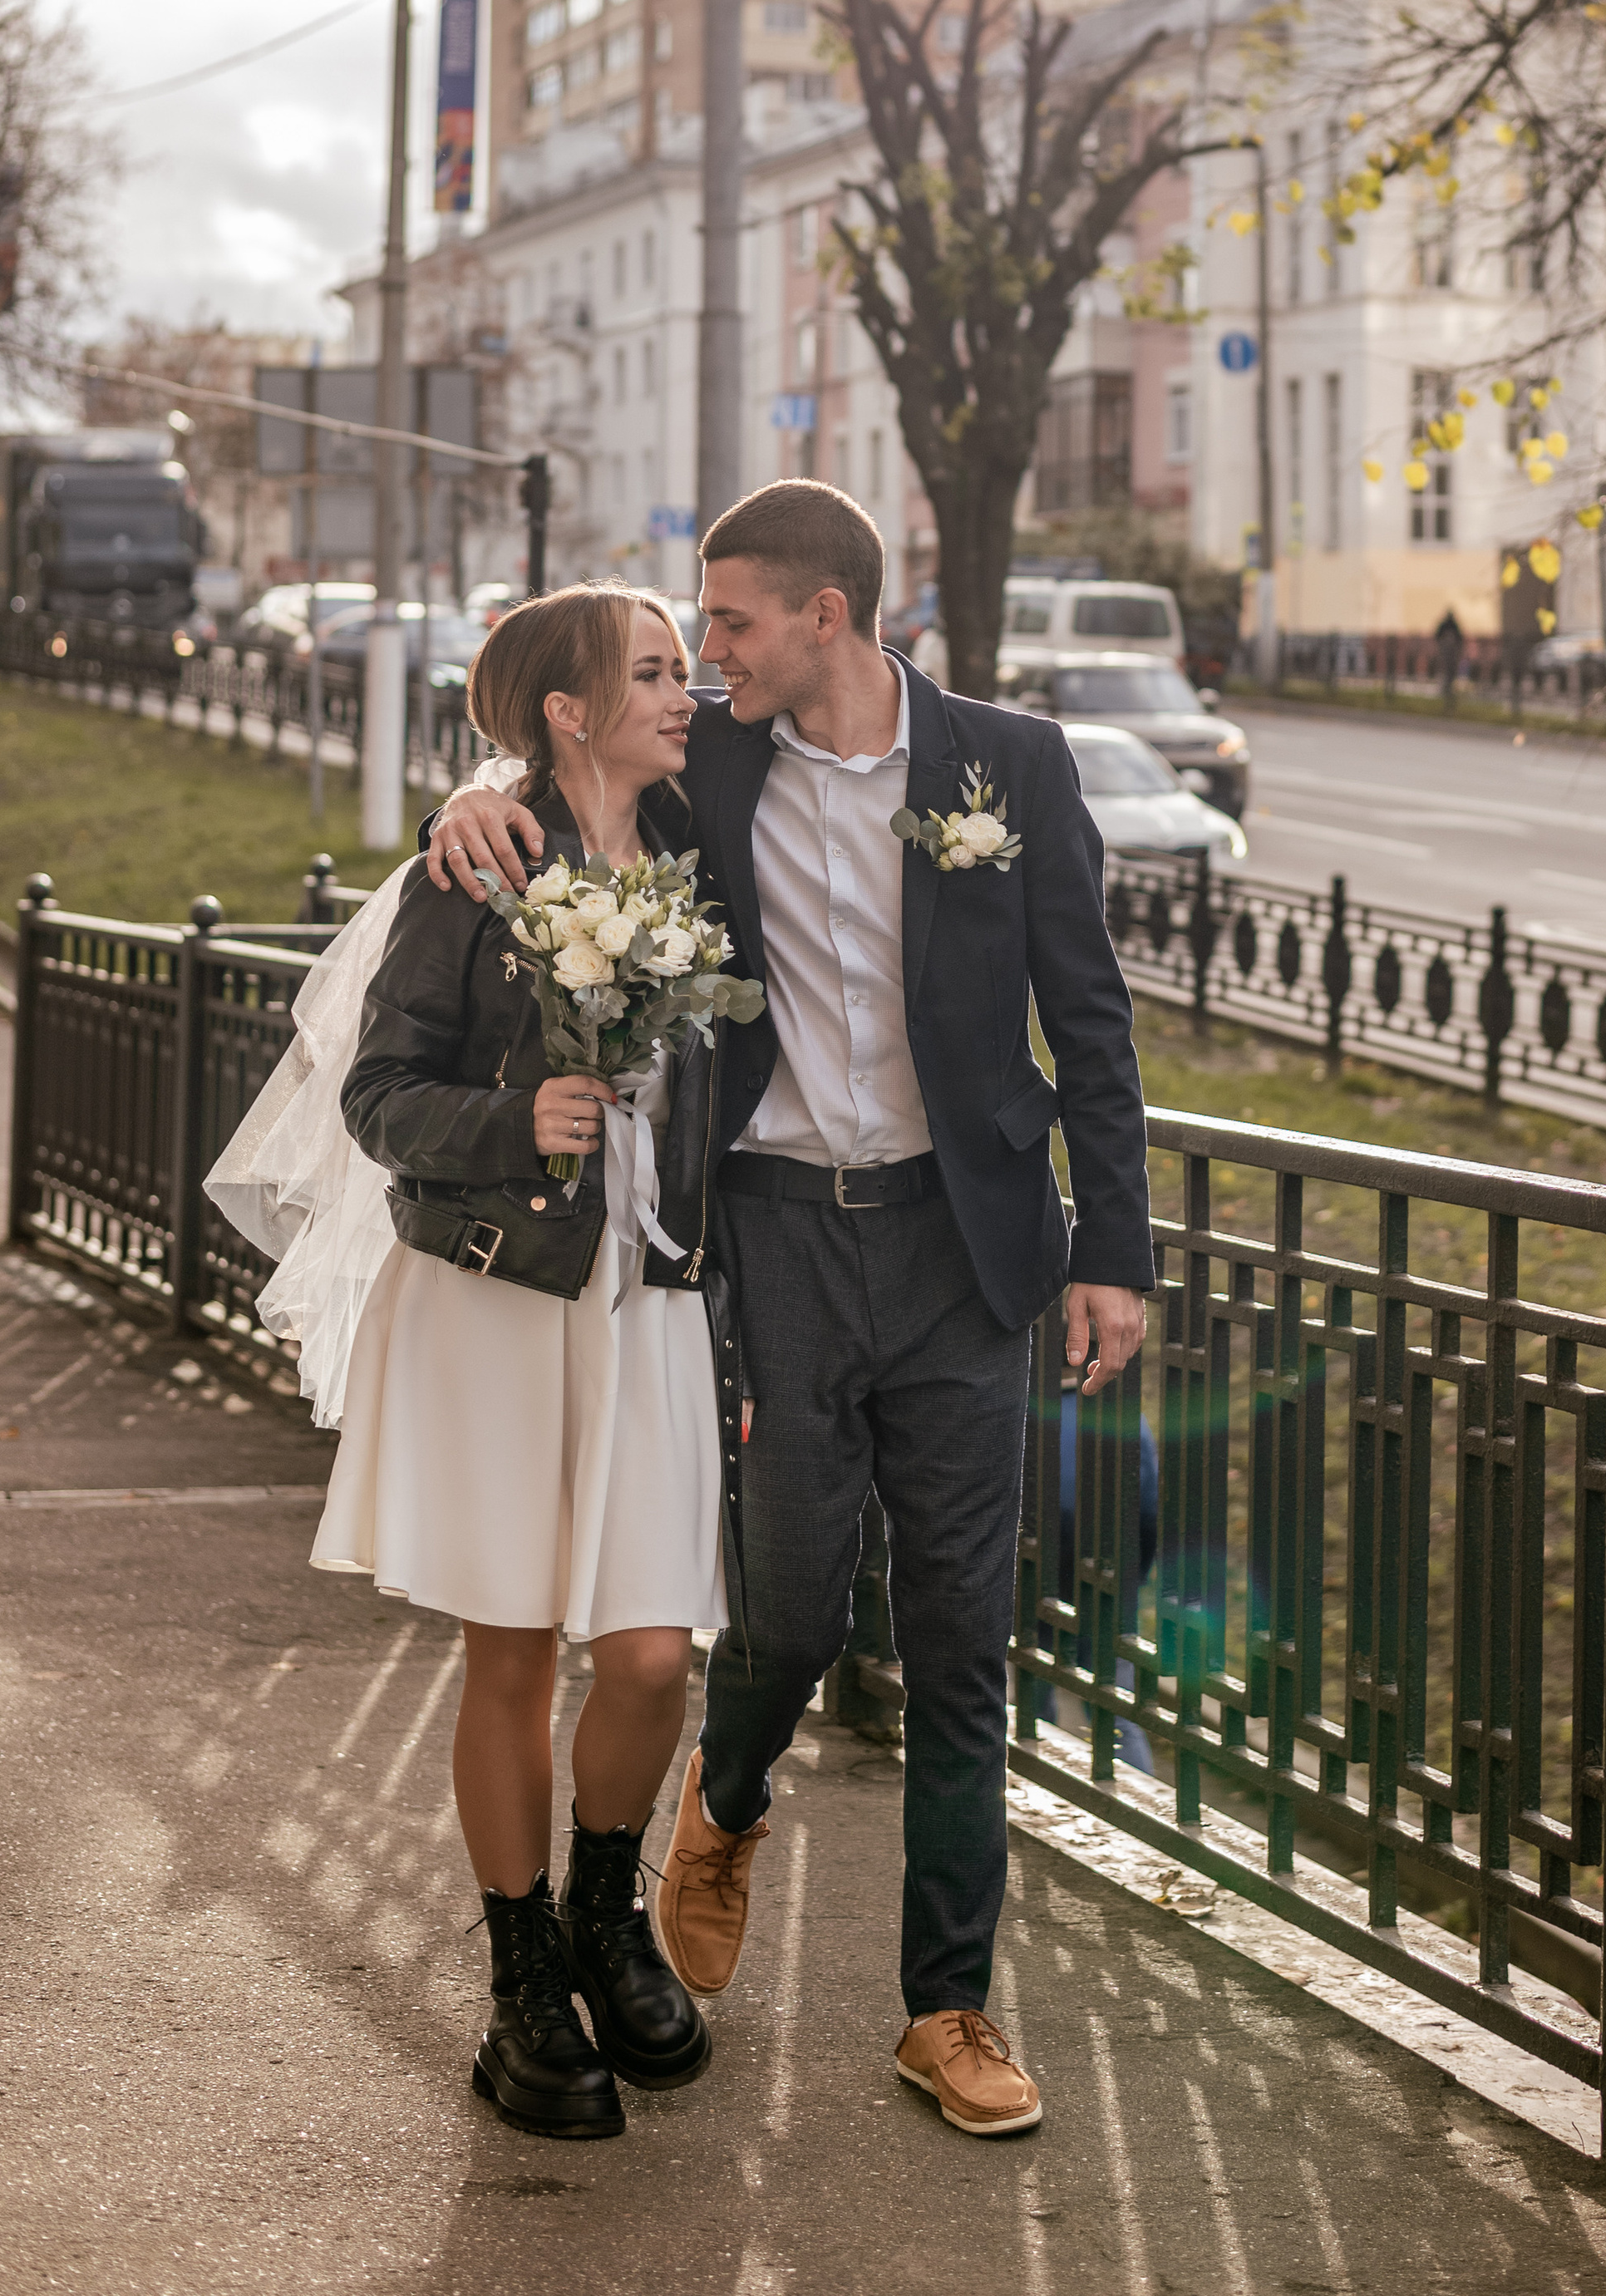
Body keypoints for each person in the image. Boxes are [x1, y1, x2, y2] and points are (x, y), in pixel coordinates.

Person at [425, 480, 1154, 2137]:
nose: (708, 661)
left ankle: (946, 2010)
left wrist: (1110, 1245)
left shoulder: (1008, 768)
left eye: (731, 624)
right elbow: (568, 772)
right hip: (772, 1244)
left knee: (963, 1636)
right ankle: (723, 1804)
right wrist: (460, 805)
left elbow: (1087, 1020)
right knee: (792, 1610)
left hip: (964, 1250)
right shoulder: (720, 766)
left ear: (826, 617)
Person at [323, 584, 735, 2141]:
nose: (682, 691)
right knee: (510, 1652)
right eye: (652, 670)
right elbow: (379, 1095)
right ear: (567, 710)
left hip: (655, 1302)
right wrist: (522, 1126)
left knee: (647, 1654)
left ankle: (601, 1913)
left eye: (686, 666)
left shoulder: (700, 845)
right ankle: (518, 1988)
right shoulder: (480, 867)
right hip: (503, 1300)